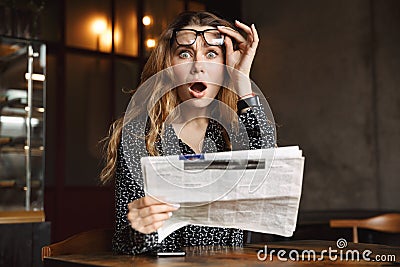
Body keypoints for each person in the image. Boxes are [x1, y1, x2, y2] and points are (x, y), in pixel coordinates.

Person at [100, 11, 276, 255]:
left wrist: (241, 79)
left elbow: (271, 171)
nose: (198, 66)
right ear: (168, 67)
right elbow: (124, 244)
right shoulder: (140, 138)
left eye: (211, 54)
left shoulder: (233, 136)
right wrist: (141, 227)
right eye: (185, 54)